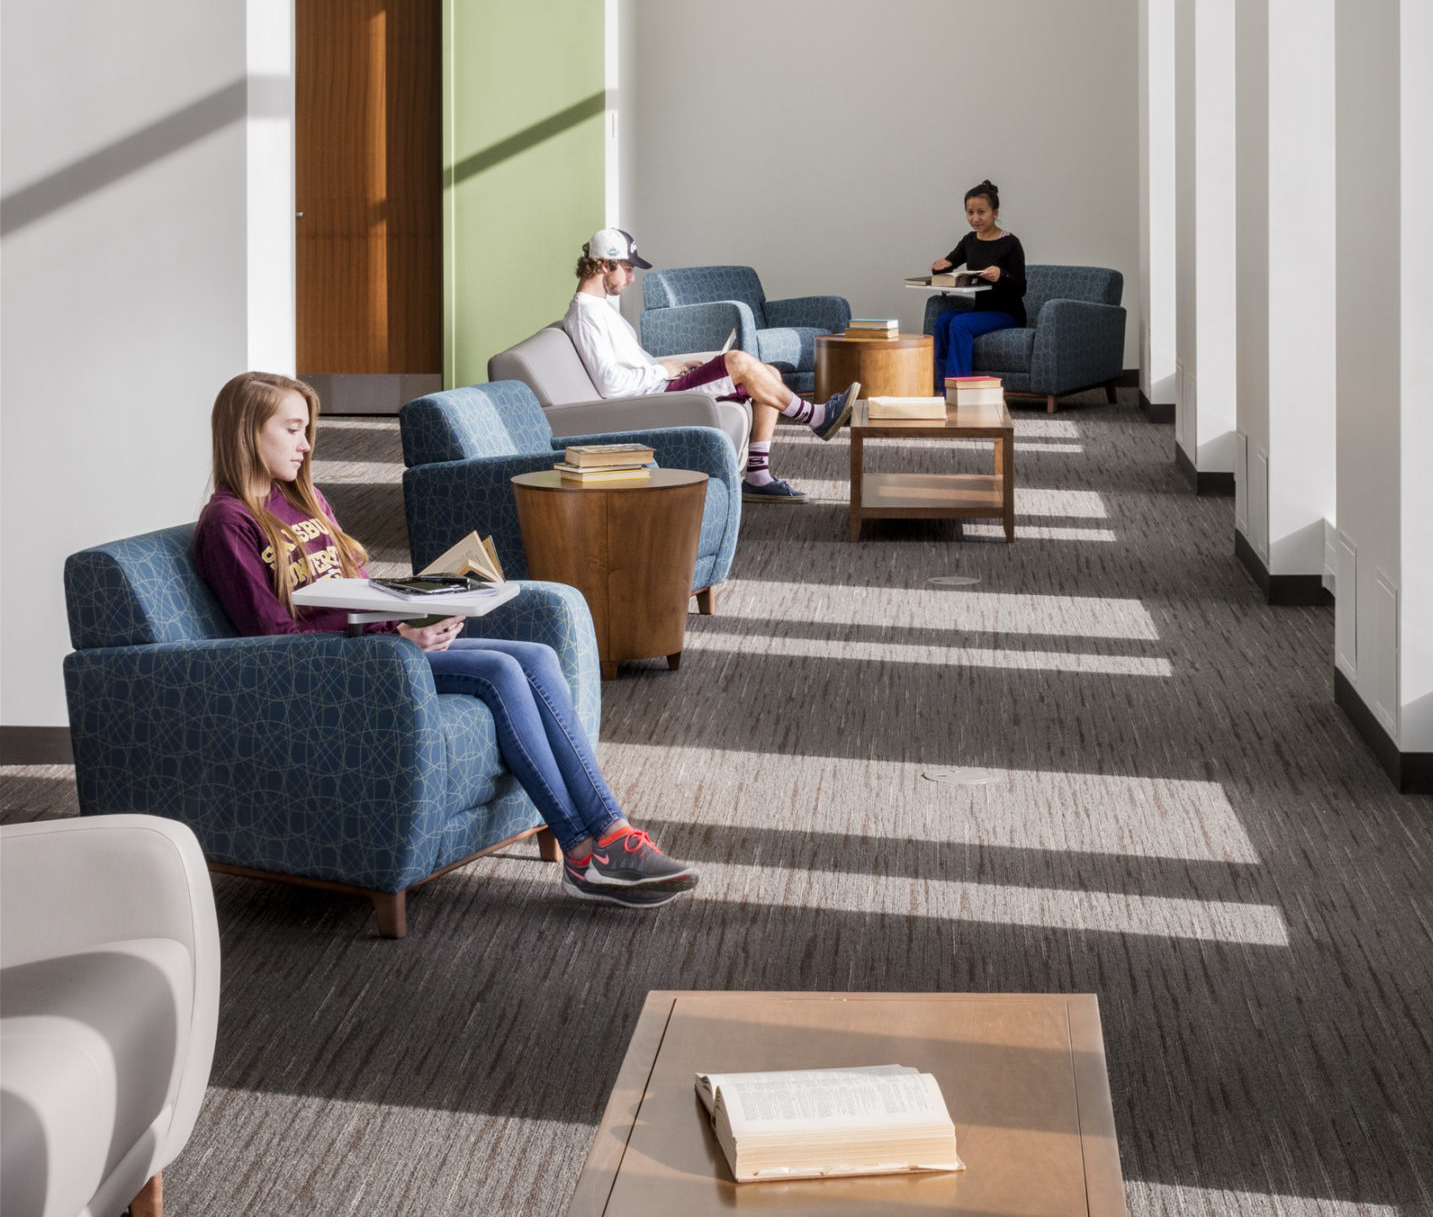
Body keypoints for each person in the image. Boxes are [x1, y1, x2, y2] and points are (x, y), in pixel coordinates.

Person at [192, 372, 698, 912]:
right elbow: (272, 638)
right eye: (292, 429)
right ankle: (581, 851)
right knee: (501, 673)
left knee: (537, 656)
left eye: (307, 429)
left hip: (383, 646)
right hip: (337, 669)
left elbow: (355, 591)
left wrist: (420, 606)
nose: (307, 443)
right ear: (248, 433)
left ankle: (613, 830)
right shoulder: (229, 522)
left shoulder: (307, 498)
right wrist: (399, 633)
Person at [561, 227, 857, 499]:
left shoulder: (599, 308)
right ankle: (816, 417)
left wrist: (671, 364)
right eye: (627, 269)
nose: (631, 278)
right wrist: (664, 370)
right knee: (738, 361)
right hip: (652, 398)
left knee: (769, 373)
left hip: (659, 383)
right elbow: (610, 383)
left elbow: (627, 363)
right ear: (603, 266)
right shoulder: (585, 315)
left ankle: (757, 476)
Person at [928, 179, 1028, 392]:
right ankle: (943, 389)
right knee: (943, 320)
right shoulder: (970, 241)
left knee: (960, 324)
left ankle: (960, 391)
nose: (975, 218)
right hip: (981, 311)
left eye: (981, 212)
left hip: (1008, 313)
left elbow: (1020, 287)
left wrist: (1001, 275)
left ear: (995, 212)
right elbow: (950, 263)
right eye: (970, 212)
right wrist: (940, 267)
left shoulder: (1011, 243)